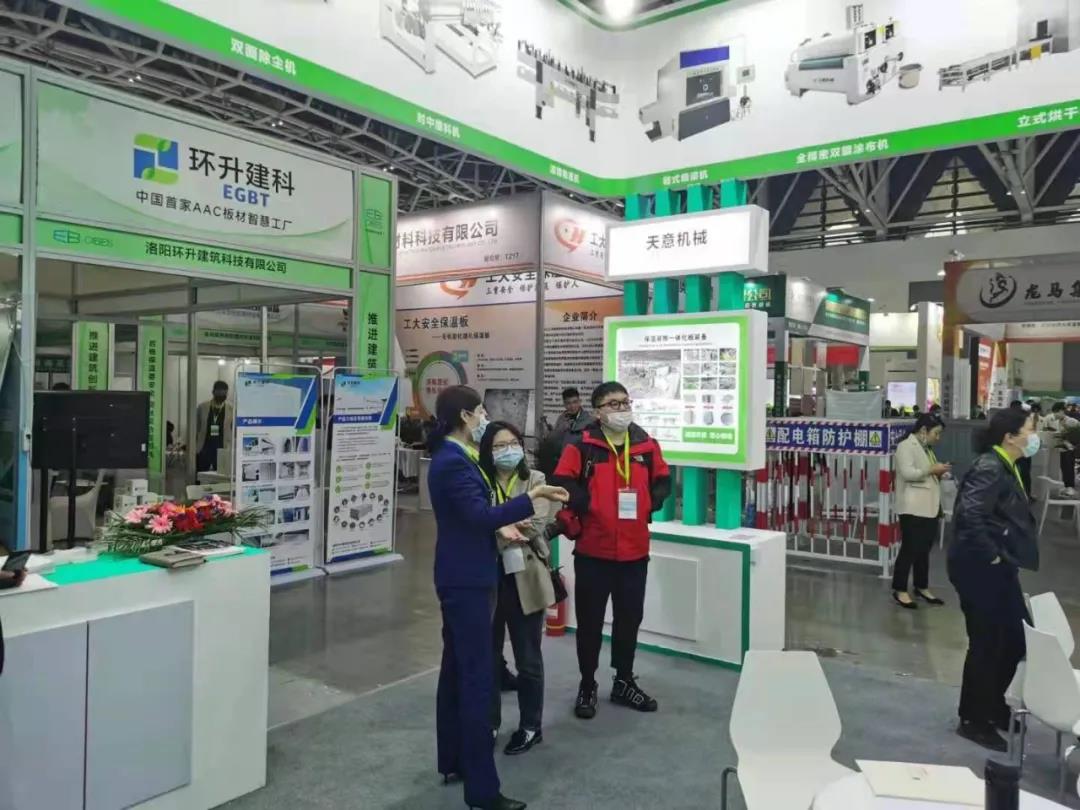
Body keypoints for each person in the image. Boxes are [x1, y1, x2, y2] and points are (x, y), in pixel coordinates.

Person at [427, 385, 567, 810]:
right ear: (466, 416)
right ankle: (483, 791)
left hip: (466, 573)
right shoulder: (453, 461)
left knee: (456, 669)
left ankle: (452, 758)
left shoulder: (461, 456)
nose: (484, 419)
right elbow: (478, 515)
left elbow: (473, 515)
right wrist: (532, 497)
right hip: (467, 580)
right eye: (481, 412)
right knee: (475, 678)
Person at [553, 381, 671, 720]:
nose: (621, 409)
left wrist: (649, 504)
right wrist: (588, 505)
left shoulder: (646, 444)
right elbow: (562, 482)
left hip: (635, 552)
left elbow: (663, 479)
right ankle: (587, 683)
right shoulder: (583, 446)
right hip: (594, 551)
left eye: (625, 402)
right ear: (598, 411)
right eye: (613, 404)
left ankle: (624, 681)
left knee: (629, 620)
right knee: (590, 622)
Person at [948, 407, 1038, 752]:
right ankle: (974, 719)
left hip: (1000, 568)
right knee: (986, 642)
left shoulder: (1007, 464)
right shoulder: (989, 467)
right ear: (1010, 437)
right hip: (979, 568)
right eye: (1030, 430)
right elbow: (970, 515)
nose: (1034, 437)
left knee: (1017, 638)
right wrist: (992, 554)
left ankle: (993, 704)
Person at [479, 421, 556, 757]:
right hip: (487, 577)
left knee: (528, 658)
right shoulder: (480, 480)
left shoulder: (536, 480)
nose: (508, 450)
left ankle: (530, 726)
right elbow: (475, 525)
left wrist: (495, 523)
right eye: (499, 446)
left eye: (513, 443)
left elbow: (535, 525)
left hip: (525, 576)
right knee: (489, 657)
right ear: (487, 452)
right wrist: (505, 524)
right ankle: (490, 723)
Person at [892, 415, 950, 609]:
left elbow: (926, 472)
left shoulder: (926, 448)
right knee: (909, 549)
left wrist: (939, 472)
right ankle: (900, 589)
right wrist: (931, 470)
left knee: (924, 550)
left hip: (929, 506)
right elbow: (908, 473)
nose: (938, 438)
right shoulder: (905, 447)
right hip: (913, 508)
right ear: (924, 430)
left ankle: (921, 586)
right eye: (936, 433)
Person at [195, 381, 233, 473]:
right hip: (204, 447)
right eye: (219, 393)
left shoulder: (231, 409)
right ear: (213, 392)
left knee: (221, 475)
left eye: (224, 393)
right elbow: (196, 426)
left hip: (222, 448)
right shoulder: (202, 407)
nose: (221, 395)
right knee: (201, 475)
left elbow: (232, 428)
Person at [1043, 402, 1078, 498]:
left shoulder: (1071, 421)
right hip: (1062, 448)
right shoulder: (1058, 421)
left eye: (1056, 412)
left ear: (1062, 411)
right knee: (1064, 468)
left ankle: (1070, 488)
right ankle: (1066, 487)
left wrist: (1068, 440)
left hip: (1069, 449)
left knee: (1068, 468)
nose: (1055, 415)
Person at [1009, 401, 1034, 498]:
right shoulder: (1025, 418)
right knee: (1024, 473)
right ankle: (1026, 495)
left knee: (1021, 473)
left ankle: (1023, 495)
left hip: (1017, 449)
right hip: (1022, 449)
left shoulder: (1008, 419)